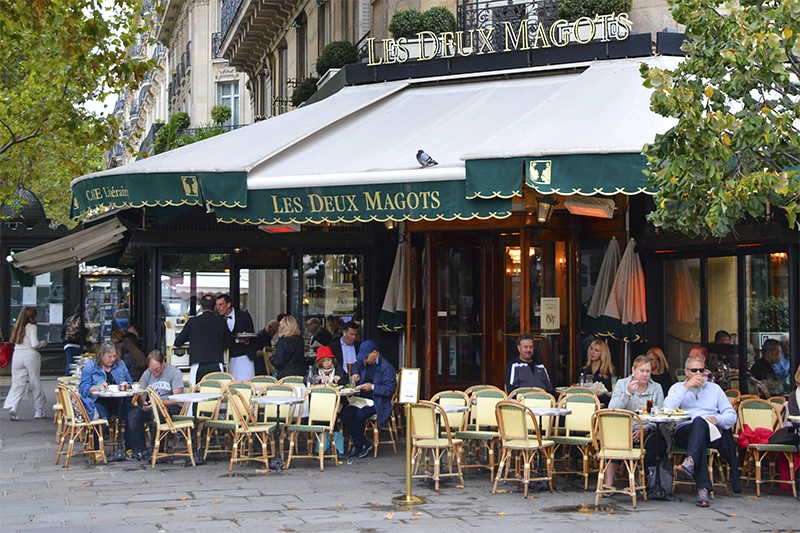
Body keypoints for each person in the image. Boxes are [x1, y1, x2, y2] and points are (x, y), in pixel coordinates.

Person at [664, 354, 741, 507]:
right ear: (686, 372)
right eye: (694, 370)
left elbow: (731, 416)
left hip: (711, 432)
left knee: (700, 424)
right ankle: (701, 487)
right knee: (698, 427)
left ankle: (691, 465)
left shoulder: (715, 389)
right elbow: (666, 410)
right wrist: (686, 387)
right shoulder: (678, 388)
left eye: (701, 370)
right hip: (684, 431)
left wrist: (717, 419)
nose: (698, 374)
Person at [605, 355, 666, 489]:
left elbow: (660, 413)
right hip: (624, 428)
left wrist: (645, 429)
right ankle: (608, 484)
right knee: (616, 443)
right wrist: (627, 393)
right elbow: (612, 408)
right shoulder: (622, 384)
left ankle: (642, 476)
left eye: (648, 371)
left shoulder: (656, 388)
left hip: (647, 428)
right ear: (633, 370)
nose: (644, 374)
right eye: (641, 371)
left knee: (658, 442)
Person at [125, 350, 185, 461]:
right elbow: (141, 395)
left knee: (157, 413)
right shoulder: (148, 373)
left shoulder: (174, 372)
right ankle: (139, 450)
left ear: (163, 363)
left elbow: (177, 399)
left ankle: (157, 450)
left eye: (157, 369)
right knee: (133, 414)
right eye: (152, 370)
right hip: (153, 405)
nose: (155, 373)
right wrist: (143, 402)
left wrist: (157, 403)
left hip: (170, 406)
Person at [342, 340, 397, 459]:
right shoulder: (364, 361)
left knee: (360, 415)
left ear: (375, 352)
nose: (365, 360)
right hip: (361, 399)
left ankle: (357, 445)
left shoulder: (386, 368)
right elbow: (356, 365)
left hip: (378, 401)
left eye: (366, 357)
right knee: (345, 413)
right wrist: (355, 374)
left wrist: (372, 387)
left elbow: (390, 389)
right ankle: (365, 443)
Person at [79, 341, 134, 443]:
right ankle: (98, 450)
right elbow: (83, 388)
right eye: (109, 357)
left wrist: (127, 385)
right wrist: (97, 387)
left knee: (133, 414)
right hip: (99, 401)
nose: (112, 359)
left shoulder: (120, 364)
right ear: (102, 355)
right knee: (101, 420)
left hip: (119, 401)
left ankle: (129, 449)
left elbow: (130, 382)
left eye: (114, 356)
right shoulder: (91, 366)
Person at [3, 307, 48, 420]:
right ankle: (38, 410)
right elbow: (34, 344)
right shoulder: (32, 327)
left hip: (17, 355)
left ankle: (14, 407)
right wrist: (43, 343)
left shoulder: (17, 327)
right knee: (34, 382)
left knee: (17, 383)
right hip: (30, 356)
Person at [174, 294, 227, 386]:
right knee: (218, 392)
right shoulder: (221, 322)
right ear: (215, 307)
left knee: (195, 393)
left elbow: (178, 342)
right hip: (216, 362)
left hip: (197, 363)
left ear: (201, 307)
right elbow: (228, 343)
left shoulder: (192, 322)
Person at [216, 293, 257, 381]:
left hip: (245, 355)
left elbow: (251, 333)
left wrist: (246, 340)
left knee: (247, 383)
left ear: (228, 304)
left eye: (221, 304)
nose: (218, 308)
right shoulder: (217, 320)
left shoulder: (244, 316)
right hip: (227, 358)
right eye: (217, 305)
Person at [582, 340, 615, 406]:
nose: (592, 352)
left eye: (597, 350)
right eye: (591, 349)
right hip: (585, 401)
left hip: (602, 403)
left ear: (603, 353)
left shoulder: (608, 370)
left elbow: (609, 391)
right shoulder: (584, 370)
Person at [62, 305, 87, 376]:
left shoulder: (69, 319)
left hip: (69, 345)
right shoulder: (83, 320)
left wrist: (65, 341)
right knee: (80, 364)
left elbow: (63, 332)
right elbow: (85, 332)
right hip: (80, 345)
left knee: (70, 364)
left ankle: (67, 378)